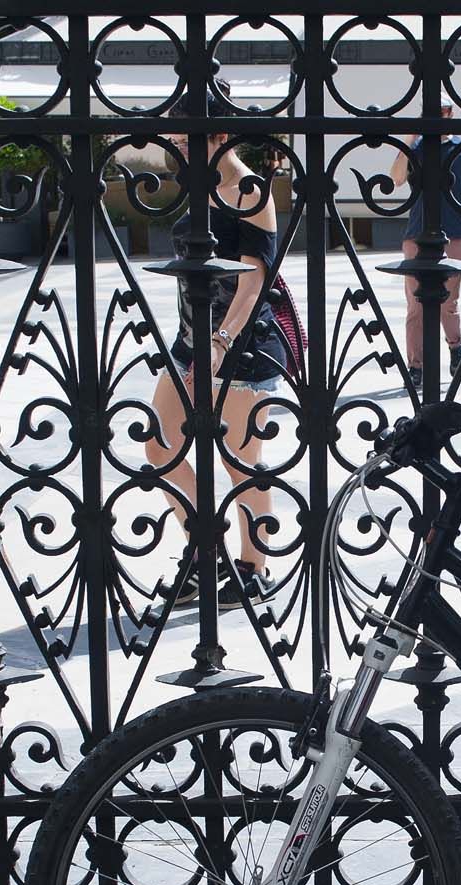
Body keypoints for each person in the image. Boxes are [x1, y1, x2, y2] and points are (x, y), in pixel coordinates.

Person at [145, 79, 289, 610]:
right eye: (176, 140)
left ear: (220, 133)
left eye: (188, 138)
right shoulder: (201, 186)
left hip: (240, 347)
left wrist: (219, 343)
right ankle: (206, 552)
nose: (179, 146)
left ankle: (253, 568)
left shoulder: (248, 189)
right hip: (190, 340)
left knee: (239, 458)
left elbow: (254, 279)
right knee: (160, 448)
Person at [389, 102, 461, 392]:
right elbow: (396, 179)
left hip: (454, 233)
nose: (437, 115)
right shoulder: (417, 147)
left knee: (449, 301)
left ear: (450, 114)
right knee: (415, 305)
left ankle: (456, 349)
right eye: (431, 111)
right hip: (416, 234)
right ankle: (416, 366)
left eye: (442, 110)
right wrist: (408, 138)